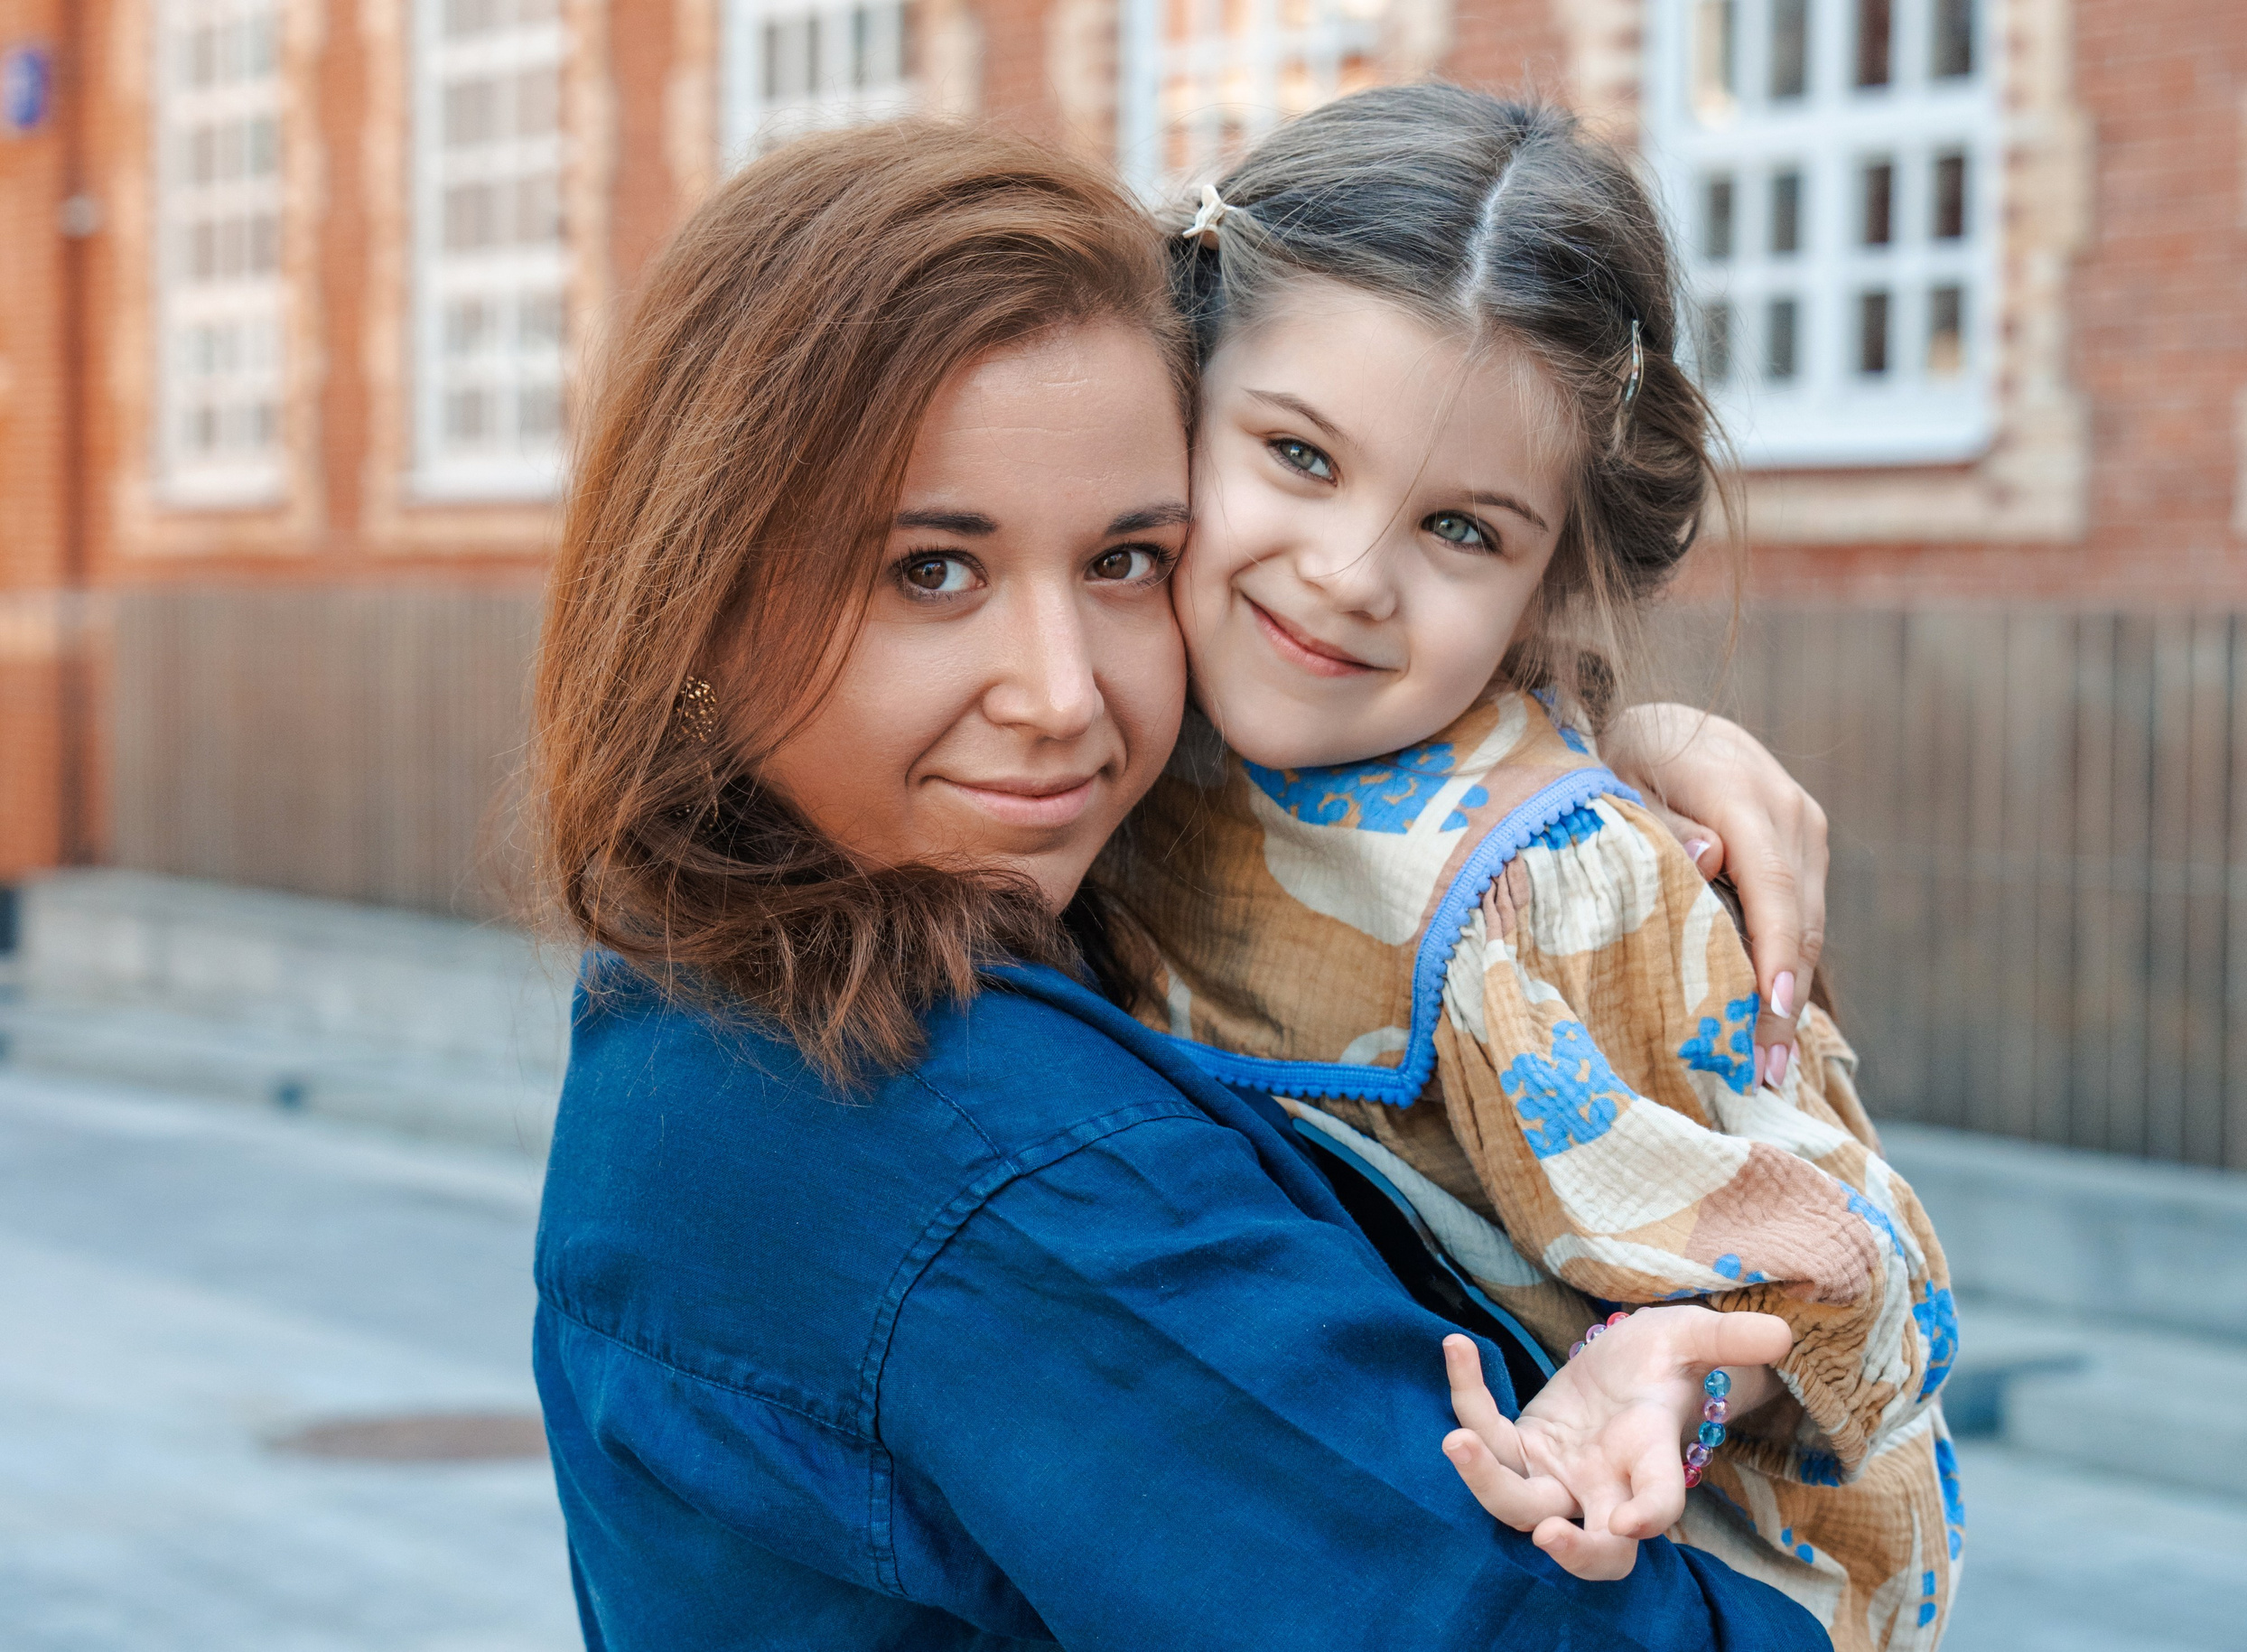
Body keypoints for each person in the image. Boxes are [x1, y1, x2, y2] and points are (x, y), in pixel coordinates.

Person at [528, 117, 1834, 1649]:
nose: (1063, 694)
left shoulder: (698, 984)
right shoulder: (994, 1160)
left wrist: (1602, 754)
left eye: (1126, 560)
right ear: (701, 590)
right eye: (931, 570)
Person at [1090, 86, 1961, 1648]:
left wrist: (1676, 1361)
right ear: (1181, 394)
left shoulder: (1539, 887)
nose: (1347, 574)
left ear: (1550, 579)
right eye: (1296, 453)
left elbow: (1847, 1254)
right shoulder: (1119, 717)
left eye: (1462, 530)